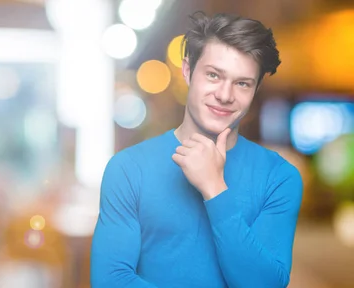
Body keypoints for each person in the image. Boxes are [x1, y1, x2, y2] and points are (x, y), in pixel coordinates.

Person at [91, 12, 303, 288]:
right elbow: (110, 280)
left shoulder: (280, 177)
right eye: (214, 75)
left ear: (256, 88)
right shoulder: (129, 168)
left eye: (242, 83)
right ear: (188, 71)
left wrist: (214, 189)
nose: (225, 95)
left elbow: (266, 284)